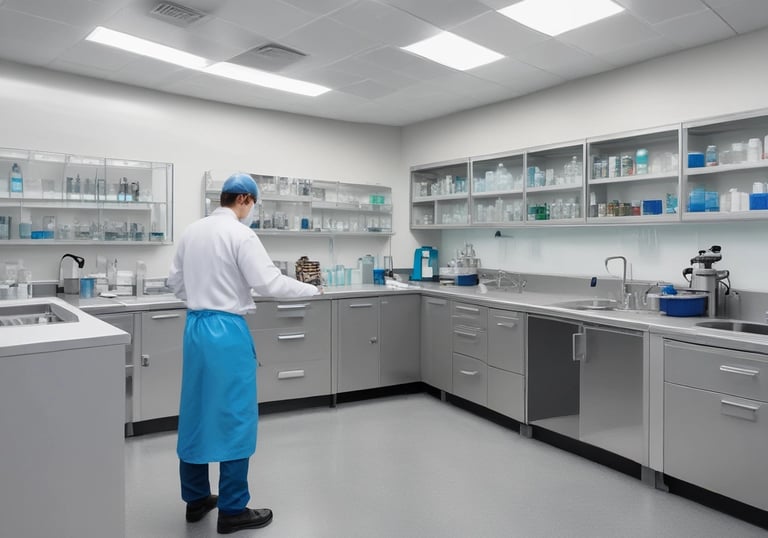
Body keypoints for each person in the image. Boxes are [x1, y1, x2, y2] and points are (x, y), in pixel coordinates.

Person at [168, 172, 321, 534]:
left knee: (196, 410)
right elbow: (268, 282)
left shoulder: (192, 231)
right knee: (235, 415)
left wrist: (202, 301)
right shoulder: (241, 233)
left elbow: (174, 283)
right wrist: (311, 290)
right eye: (254, 205)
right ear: (246, 201)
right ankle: (233, 509)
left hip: (196, 329)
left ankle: (196, 499)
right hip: (226, 332)